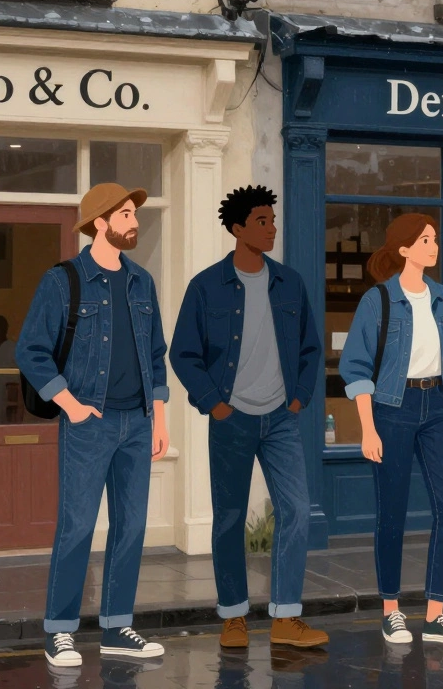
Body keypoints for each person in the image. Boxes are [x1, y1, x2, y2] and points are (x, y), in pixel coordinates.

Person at [16, 183, 170, 667]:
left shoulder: (142, 282)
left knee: (132, 526)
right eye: (125, 214)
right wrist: (71, 405)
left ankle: (117, 627)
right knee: (78, 525)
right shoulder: (63, 281)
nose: (134, 222)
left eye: (134, 214)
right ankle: (59, 631)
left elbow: (157, 356)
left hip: (138, 422)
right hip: (89, 423)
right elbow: (31, 350)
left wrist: (159, 418)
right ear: (99, 223)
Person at [169, 185, 328, 650]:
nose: (272, 228)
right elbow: (183, 353)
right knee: (230, 518)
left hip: (281, 418)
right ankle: (234, 617)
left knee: (296, 509)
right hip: (231, 418)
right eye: (262, 221)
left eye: (272, 220)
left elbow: (310, 347)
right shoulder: (206, 286)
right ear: (238, 228)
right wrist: (215, 404)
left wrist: (298, 399)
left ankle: (286, 617)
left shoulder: (290, 283)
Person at [339, 213, 443, 646]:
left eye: (434, 239)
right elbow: (356, 367)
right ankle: (391, 610)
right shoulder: (377, 300)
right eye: (425, 240)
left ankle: (435, 615)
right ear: (403, 249)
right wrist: (368, 429)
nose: (433, 246)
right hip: (391, 409)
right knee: (392, 512)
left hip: (437, 407)